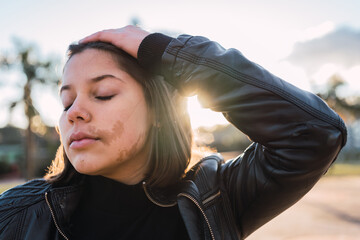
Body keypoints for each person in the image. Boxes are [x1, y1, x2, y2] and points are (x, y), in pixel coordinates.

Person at [0, 25, 346, 240]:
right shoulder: (15, 215)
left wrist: (169, 53)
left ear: (159, 112)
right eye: (65, 102)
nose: (74, 113)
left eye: (103, 94)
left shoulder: (218, 199)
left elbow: (315, 132)